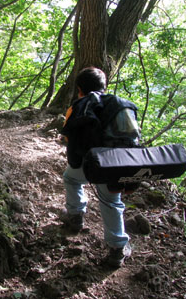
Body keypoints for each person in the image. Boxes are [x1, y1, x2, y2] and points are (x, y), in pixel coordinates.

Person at [59, 66, 140, 268]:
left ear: (79, 89)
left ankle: (76, 216)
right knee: (111, 201)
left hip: (89, 163)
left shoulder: (78, 106)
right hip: (118, 164)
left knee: (70, 178)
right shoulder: (123, 106)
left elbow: (69, 138)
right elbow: (134, 138)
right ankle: (117, 250)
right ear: (104, 87)